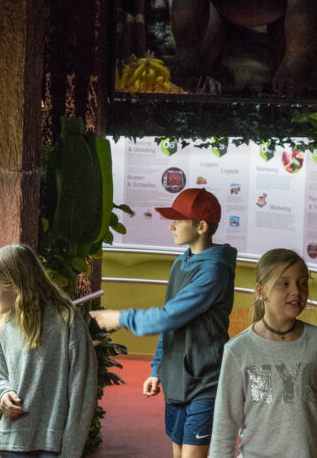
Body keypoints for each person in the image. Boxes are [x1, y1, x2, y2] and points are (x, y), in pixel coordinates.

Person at [90, 188, 237, 458]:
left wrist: (120, 318)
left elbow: (168, 316)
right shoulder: (180, 264)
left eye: (179, 220)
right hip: (176, 381)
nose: (172, 226)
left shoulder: (214, 271)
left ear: (201, 226)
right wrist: (158, 369)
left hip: (205, 383)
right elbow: (171, 321)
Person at [209, 248, 317, 458]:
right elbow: (225, 422)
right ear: (261, 291)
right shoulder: (238, 350)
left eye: (302, 283)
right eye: (284, 284)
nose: (296, 291)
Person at [0, 244, 97, 458]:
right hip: (12, 443)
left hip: (53, 447)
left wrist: (71, 452)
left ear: (15, 284)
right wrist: (2, 395)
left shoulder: (67, 319)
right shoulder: (2, 324)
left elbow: (82, 389)